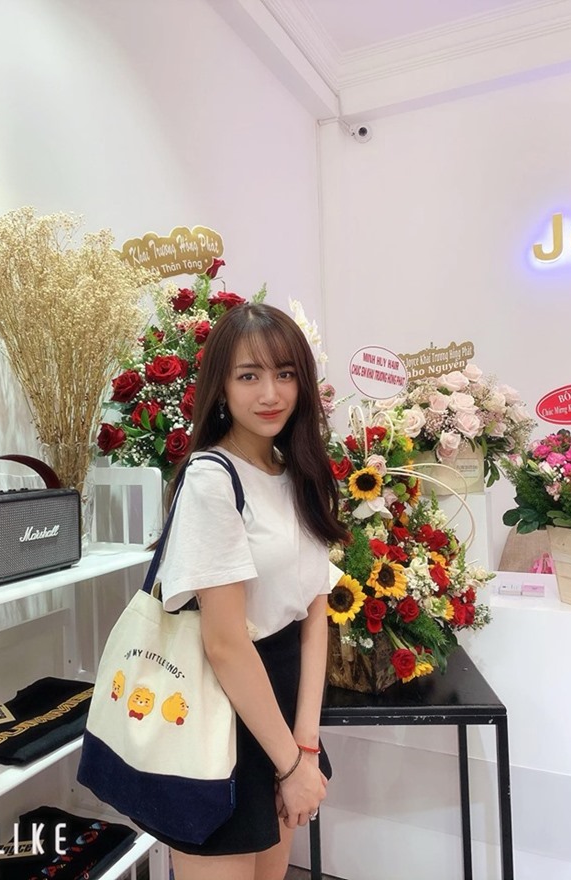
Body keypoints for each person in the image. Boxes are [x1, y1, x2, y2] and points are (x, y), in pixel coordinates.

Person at [148, 302, 349, 880]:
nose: (270, 393)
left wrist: (304, 746)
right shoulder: (213, 480)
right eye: (248, 375)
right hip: (222, 711)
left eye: (284, 374)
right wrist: (291, 765)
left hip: (283, 710)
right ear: (221, 387)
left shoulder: (298, 471)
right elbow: (225, 642)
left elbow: (314, 613)